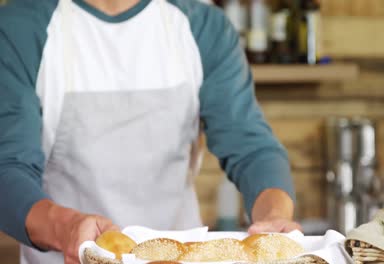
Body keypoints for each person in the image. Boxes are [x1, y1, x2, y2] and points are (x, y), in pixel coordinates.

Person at [0, 0, 300, 263]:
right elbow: (7, 167)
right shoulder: (21, 27)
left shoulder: (203, 26)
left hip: (178, 256)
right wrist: (66, 228)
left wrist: (274, 214)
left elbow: (250, 147)